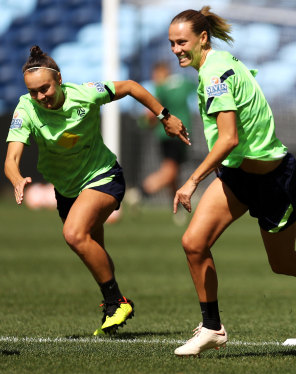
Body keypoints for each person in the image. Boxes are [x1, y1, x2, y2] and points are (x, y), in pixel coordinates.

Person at [167, 6, 296, 357]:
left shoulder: (214, 73)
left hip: (275, 180)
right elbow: (235, 135)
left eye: (182, 42)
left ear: (202, 38)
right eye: (171, 43)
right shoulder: (220, 62)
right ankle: (212, 327)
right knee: (194, 242)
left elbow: (228, 137)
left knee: (283, 263)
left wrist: (192, 180)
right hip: (239, 176)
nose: (176, 50)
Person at [4, 46, 189, 336]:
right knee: (93, 248)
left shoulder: (85, 93)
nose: (40, 97)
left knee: (74, 234)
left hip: (102, 177)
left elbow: (129, 87)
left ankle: (118, 301)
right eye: (33, 92)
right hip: (66, 190)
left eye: (45, 88)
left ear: (59, 79)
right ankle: (112, 304)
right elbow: (11, 159)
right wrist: (15, 178)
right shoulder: (25, 108)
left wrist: (164, 115)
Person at [136, 61, 196, 201]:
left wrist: (144, 123)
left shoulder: (161, 88)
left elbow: (151, 113)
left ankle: (172, 203)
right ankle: (142, 191)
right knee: (171, 171)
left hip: (168, 135)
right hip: (182, 133)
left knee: (171, 172)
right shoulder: (183, 83)